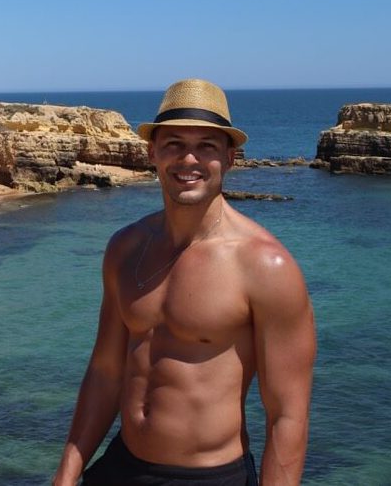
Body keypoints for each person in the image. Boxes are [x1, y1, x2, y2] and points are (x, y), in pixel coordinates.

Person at [53, 79, 315, 486]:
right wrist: (67, 475)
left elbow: (287, 414)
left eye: (206, 146)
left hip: (208, 478)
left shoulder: (266, 266)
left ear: (230, 158)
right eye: (173, 143)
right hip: (121, 466)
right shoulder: (125, 248)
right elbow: (105, 372)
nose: (188, 159)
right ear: (151, 153)